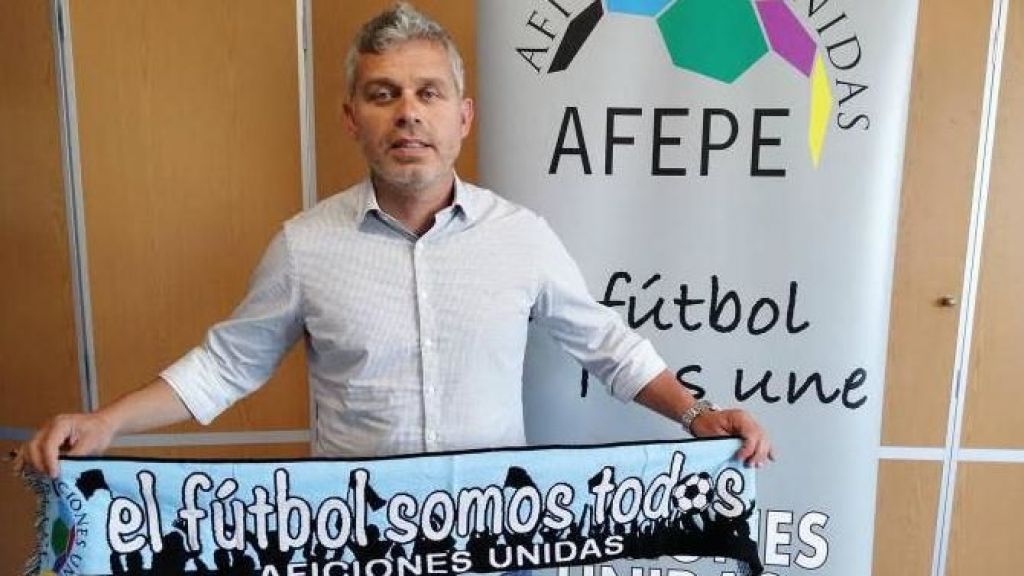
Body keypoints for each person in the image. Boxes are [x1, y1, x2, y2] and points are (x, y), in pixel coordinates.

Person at [17, 2, 773, 478]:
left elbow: (608, 346)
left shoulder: (523, 238)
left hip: (495, 538)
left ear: (462, 117)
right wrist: (105, 422)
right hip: (355, 541)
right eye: (384, 95)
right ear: (353, 118)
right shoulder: (304, 246)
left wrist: (694, 415)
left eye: (428, 93)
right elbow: (224, 367)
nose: (408, 112)